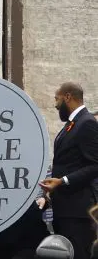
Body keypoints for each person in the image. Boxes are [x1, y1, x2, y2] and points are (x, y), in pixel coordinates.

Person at [39, 82, 98, 259]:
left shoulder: (87, 122)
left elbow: (95, 165)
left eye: (56, 99)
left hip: (77, 211)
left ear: (67, 97)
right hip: (65, 209)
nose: (55, 105)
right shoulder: (73, 124)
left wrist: (62, 181)